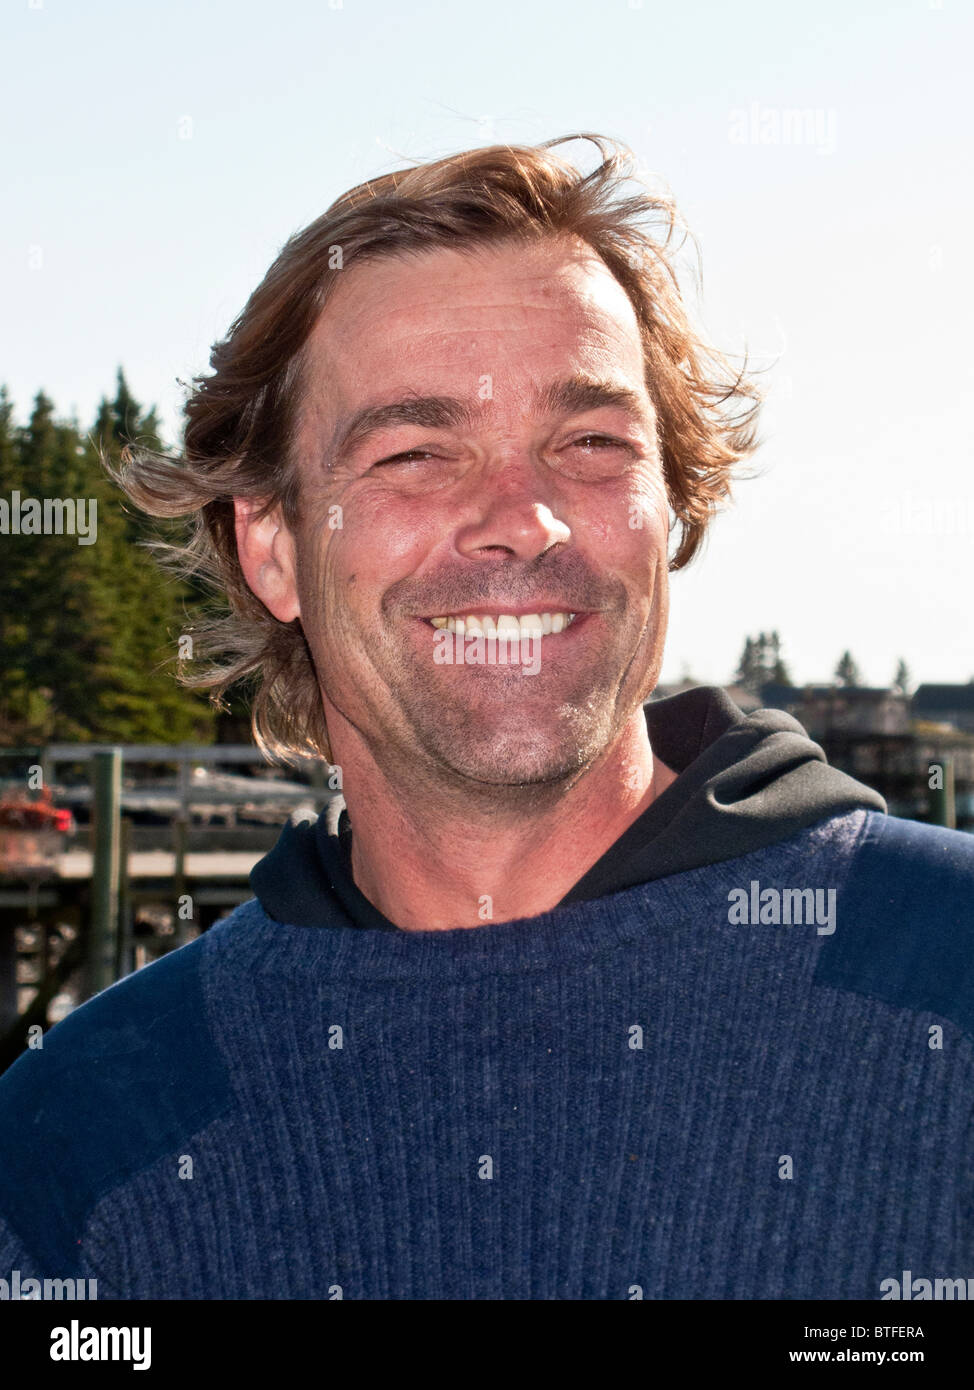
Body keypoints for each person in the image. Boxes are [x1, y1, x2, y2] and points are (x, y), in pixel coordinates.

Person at [0, 135, 970, 1300]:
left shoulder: (944, 981)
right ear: (272, 549)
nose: (521, 519)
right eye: (415, 453)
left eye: (591, 444)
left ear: (669, 508)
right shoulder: (79, 1135)